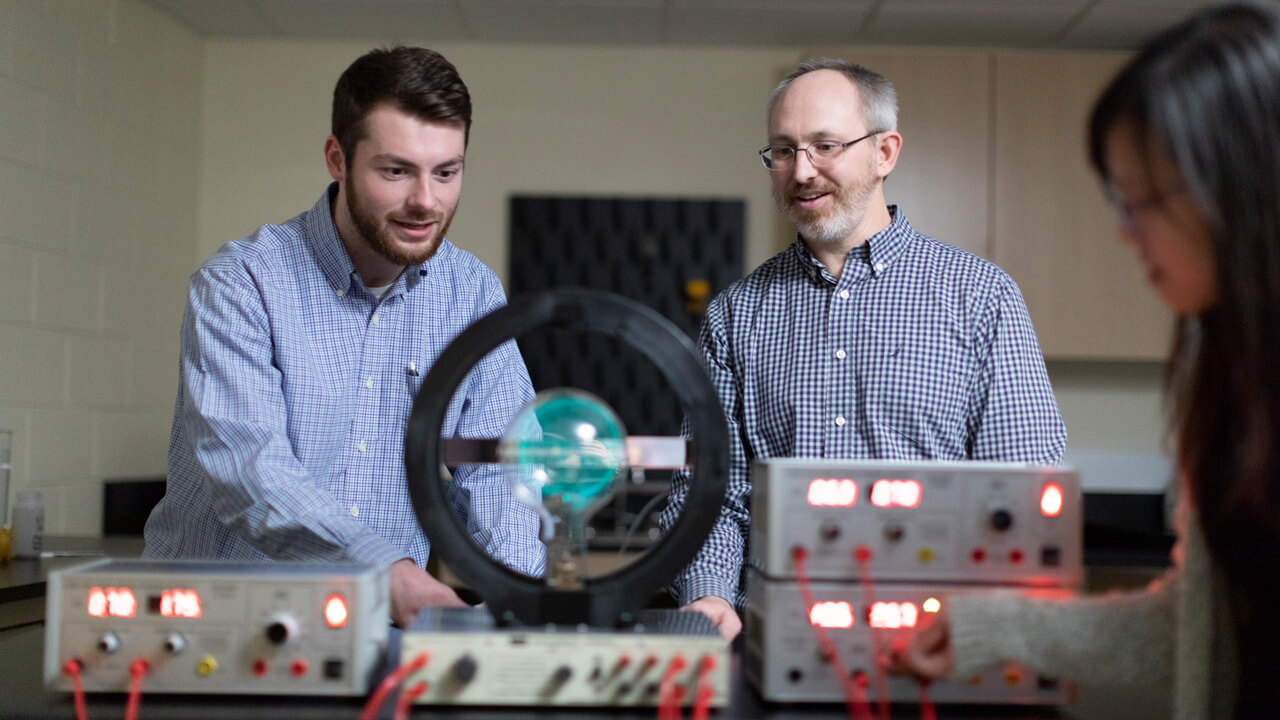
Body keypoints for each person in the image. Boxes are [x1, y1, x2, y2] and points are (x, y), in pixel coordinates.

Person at [886, 4, 1280, 717]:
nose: (1127, 234)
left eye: (1146, 202)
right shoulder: (1221, 359)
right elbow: (1198, 634)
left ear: (1238, 188)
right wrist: (994, 626)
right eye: (1118, 200)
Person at [660, 58, 1067, 640]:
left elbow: (1024, 490)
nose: (802, 171)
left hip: (935, 649)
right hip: (774, 643)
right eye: (783, 150)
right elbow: (709, 494)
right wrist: (710, 596)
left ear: (885, 153)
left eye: (825, 145)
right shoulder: (735, 315)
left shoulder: (981, 297)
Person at [143, 47, 545, 628]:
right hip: (219, 627)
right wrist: (386, 572)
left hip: (373, 631)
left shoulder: (471, 292)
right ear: (338, 158)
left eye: (447, 172)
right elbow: (252, 474)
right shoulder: (241, 285)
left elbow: (498, 466)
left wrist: (517, 601)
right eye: (395, 171)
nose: (425, 201)